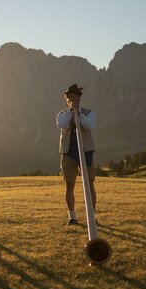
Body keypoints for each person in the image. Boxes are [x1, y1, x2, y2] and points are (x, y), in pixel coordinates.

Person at [56, 84, 97, 225]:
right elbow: (62, 124)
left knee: (90, 184)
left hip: (86, 152)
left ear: (80, 98)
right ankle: (72, 216)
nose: (72, 99)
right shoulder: (62, 115)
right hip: (68, 153)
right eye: (70, 97)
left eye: (75, 96)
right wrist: (71, 112)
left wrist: (78, 112)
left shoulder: (89, 113)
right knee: (69, 185)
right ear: (67, 99)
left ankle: (92, 216)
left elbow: (89, 125)